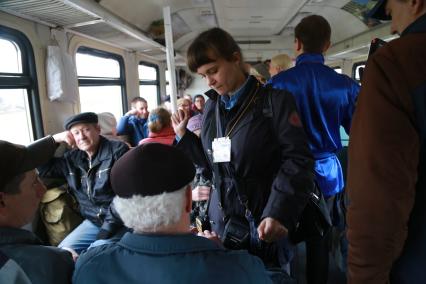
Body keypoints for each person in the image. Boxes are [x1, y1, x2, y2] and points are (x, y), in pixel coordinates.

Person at [171, 27, 315, 274]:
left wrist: (279, 212)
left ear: (235, 58)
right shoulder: (211, 108)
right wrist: (184, 136)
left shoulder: (276, 102)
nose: (210, 81)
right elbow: (211, 162)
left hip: (264, 217)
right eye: (204, 75)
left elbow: (298, 161)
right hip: (223, 221)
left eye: (213, 71)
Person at [73, 143, 272, 284]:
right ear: (188, 200)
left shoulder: (90, 266)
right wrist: (220, 252)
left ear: (121, 208)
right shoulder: (240, 269)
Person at [267, 14, 359, 284]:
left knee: (284, 233)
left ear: (297, 44)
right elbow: (357, 130)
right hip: (327, 171)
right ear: (327, 45)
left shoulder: (276, 85)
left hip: (286, 171)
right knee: (320, 236)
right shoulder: (346, 86)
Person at [347, 0, 426, 283]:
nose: (392, 26)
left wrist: (364, 275)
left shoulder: (397, 62)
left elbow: (377, 194)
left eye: (391, 13)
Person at [38, 112, 129, 256]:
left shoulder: (118, 151)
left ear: (97, 129)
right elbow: (43, 169)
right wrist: (54, 140)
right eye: (76, 133)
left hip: (120, 222)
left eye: (86, 130)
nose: (81, 136)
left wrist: (107, 229)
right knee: (63, 253)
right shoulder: (71, 158)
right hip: (93, 222)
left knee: (94, 254)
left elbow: (125, 196)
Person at [0, 138, 74, 284]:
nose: (43, 189)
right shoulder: (49, 264)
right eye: (34, 183)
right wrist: (61, 257)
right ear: (2, 202)